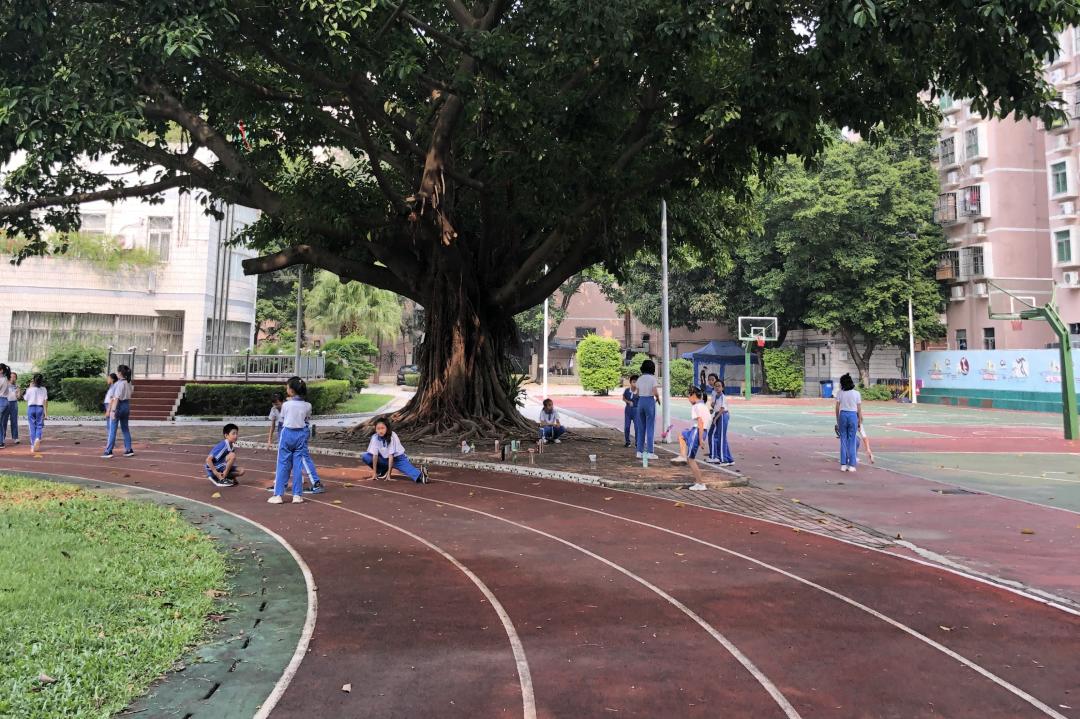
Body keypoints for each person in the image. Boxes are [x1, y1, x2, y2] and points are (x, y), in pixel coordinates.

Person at [270, 377, 320, 504]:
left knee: (282, 464)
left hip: (287, 434)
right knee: (297, 465)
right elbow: (306, 419)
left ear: (291, 390)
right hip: (301, 435)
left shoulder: (286, 405)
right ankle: (297, 495)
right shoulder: (308, 405)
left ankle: (278, 495)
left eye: (287, 387)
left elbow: (283, 418)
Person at [362, 416, 430, 483]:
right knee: (366, 456)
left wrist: (389, 475)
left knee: (416, 476)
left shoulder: (392, 436)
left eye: (382, 428)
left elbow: (391, 456)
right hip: (384, 459)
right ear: (375, 429)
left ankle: (422, 475)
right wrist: (374, 473)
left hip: (398, 459)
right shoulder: (375, 437)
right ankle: (382, 471)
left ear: (387, 428)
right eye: (378, 429)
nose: (380, 431)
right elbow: (375, 455)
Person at [675, 387, 710, 490]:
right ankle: (682, 455)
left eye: (688, 397)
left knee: (691, 459)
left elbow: (701, 423)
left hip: (698, 431)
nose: (688, 400)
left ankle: (700, 483)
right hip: (696, 431)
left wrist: (700, 440)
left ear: (693, 395)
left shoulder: (696, 407)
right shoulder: (703, 405)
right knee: (682, 435)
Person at [103, 365, 134, 458]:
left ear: (120, 373)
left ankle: (108, 451)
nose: (116, 373)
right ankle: (129, 449)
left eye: (117, 372)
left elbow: (116, 398)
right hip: (126, 405)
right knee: (125, 429)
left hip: (118, 406)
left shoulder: (119, 384)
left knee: (112, 430)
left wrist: (112, 410)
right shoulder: (129, 382)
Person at [834, 373, 863, 472]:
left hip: (843, 415)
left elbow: (837, 407)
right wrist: (860, 419)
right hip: (853, 415)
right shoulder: (856, 393)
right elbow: (859, 409)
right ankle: (852, 465)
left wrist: (838, 419)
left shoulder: (840, 393)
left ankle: (843, 464)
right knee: (852, 440)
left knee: (843, 440)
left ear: (842, 383)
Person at [635, 359, 660, 460]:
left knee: (641, 428)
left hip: (640, 401)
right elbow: (654, 391)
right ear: (652, 368)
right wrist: (658, 398)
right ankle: (650, 452)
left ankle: (639, 451)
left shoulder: (640, 379)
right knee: (650, 428)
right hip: (649, 401)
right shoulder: (652, 379)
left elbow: (637, 393)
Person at [707, 377, 734, 465]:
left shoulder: (722, 397)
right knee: (720, 437)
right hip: (718, 415)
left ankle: (723, 459)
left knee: (721, 438)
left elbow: (722, 409)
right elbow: (716, 407)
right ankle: (727, 459)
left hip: (722, 416)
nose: (717, 387)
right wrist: (713, 410)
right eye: (716, 386)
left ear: (722, 388)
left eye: (719, 386)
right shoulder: (717, 396)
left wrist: (716, 418)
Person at [25, 374, 47, 453]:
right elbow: (45, 401)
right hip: (40, 408)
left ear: (34, 380)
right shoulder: (44, 389)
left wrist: (29, 387)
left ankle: (32, 445)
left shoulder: (30, 389)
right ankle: (38, 438)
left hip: (31, 408)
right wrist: (46, 413)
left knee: (32, 426)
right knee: (39, 426)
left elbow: (26, 398)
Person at [622, 375, 639, 448]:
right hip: (628, 410)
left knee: (637, 427)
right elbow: (623, 398)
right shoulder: (627, 390)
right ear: (630, 382)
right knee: (627, 426)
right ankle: (627, 441)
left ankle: (637, 442)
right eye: (634, 382)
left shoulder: (640, 391)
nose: (635, 384)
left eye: (637, 382)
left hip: (636, 411)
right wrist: (628, 402)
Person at [3, 372, 19, 444]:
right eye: (11, 376)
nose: (13, 378)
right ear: (9, 377)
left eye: (14, 377)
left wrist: (18, 393)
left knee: (14, 421)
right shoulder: (5, 384)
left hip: (14, 404)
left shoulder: (17, 386)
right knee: (4, 421)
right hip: (6, 403)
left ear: (16, 378)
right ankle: (2, 438)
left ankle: (15, 437)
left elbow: (18, 396)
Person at [0, 364, 11, 448]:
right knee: (2, 423)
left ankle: (1, 442)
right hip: (6, 401)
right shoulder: (6, 379)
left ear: (1, 370)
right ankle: (2, 440)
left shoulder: (1, 379)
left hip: (1, 401)